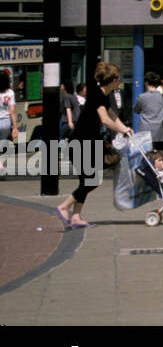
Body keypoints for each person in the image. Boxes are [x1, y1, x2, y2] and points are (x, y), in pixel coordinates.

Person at [56, 62, 133, 228]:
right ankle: (64, 206)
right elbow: (105, 119)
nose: (118, 82)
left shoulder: (102, 95)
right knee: (91, 180)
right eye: (117, 79)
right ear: (111, 80)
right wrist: (123, 131)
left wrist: (125, 128)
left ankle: (76, 216)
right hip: (81, 143)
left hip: (88, 142)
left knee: (88, 179)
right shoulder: (97, 95)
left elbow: (112, 115)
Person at [133, 73, 163, 151]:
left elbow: (136, 110)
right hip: (159, 131)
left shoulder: (142, 97)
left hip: (144, 131)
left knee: (145, 155)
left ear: (146, 83)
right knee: (158, 156)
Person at [0, 71, 16, 174]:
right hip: (6, 122)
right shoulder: (10, 93)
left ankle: (0, 166)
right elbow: (12, 111)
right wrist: (14, 127)